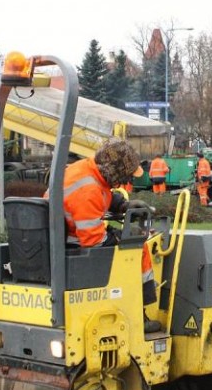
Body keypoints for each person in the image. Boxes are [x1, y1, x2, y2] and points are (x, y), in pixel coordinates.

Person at [57, 139, 159, 332]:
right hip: (76, 243)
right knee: (137, 247)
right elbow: (94, 241)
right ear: (115, 171)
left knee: (128, 239)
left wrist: (123, 204)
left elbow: (104, 193)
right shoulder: (88, 190)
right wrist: (124, 237)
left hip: (70, 235)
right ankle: (139, 314)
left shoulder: (87, 170)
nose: (128, 180)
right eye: (126, 175)